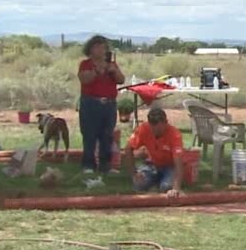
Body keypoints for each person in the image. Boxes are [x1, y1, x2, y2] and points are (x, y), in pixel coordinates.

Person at [77, 35, 125, 175]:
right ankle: (88, 165)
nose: (101, 50)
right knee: (89, 134)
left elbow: (121, 80)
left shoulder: (112, 64)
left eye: (103, 47)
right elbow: (84, 79)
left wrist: (114, 71)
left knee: (107, 136)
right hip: (90, 103)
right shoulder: (85, 64)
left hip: (109, 105)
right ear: (90, 49)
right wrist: (97, 71)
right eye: (97, 47)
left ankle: (105, 165)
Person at [125, 107, 184, 198]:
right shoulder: (143, 129)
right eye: (153, 129)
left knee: (167, 187)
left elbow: (178, 162)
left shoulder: (175, 135)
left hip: (170, 166)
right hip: (151, 165)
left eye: (159, 129)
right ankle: (155, 183)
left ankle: (161, 183)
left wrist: (176, 188)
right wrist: (134, 174)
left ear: (166, 122)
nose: (156, 132)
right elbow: (128, 148)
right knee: (138, 184)